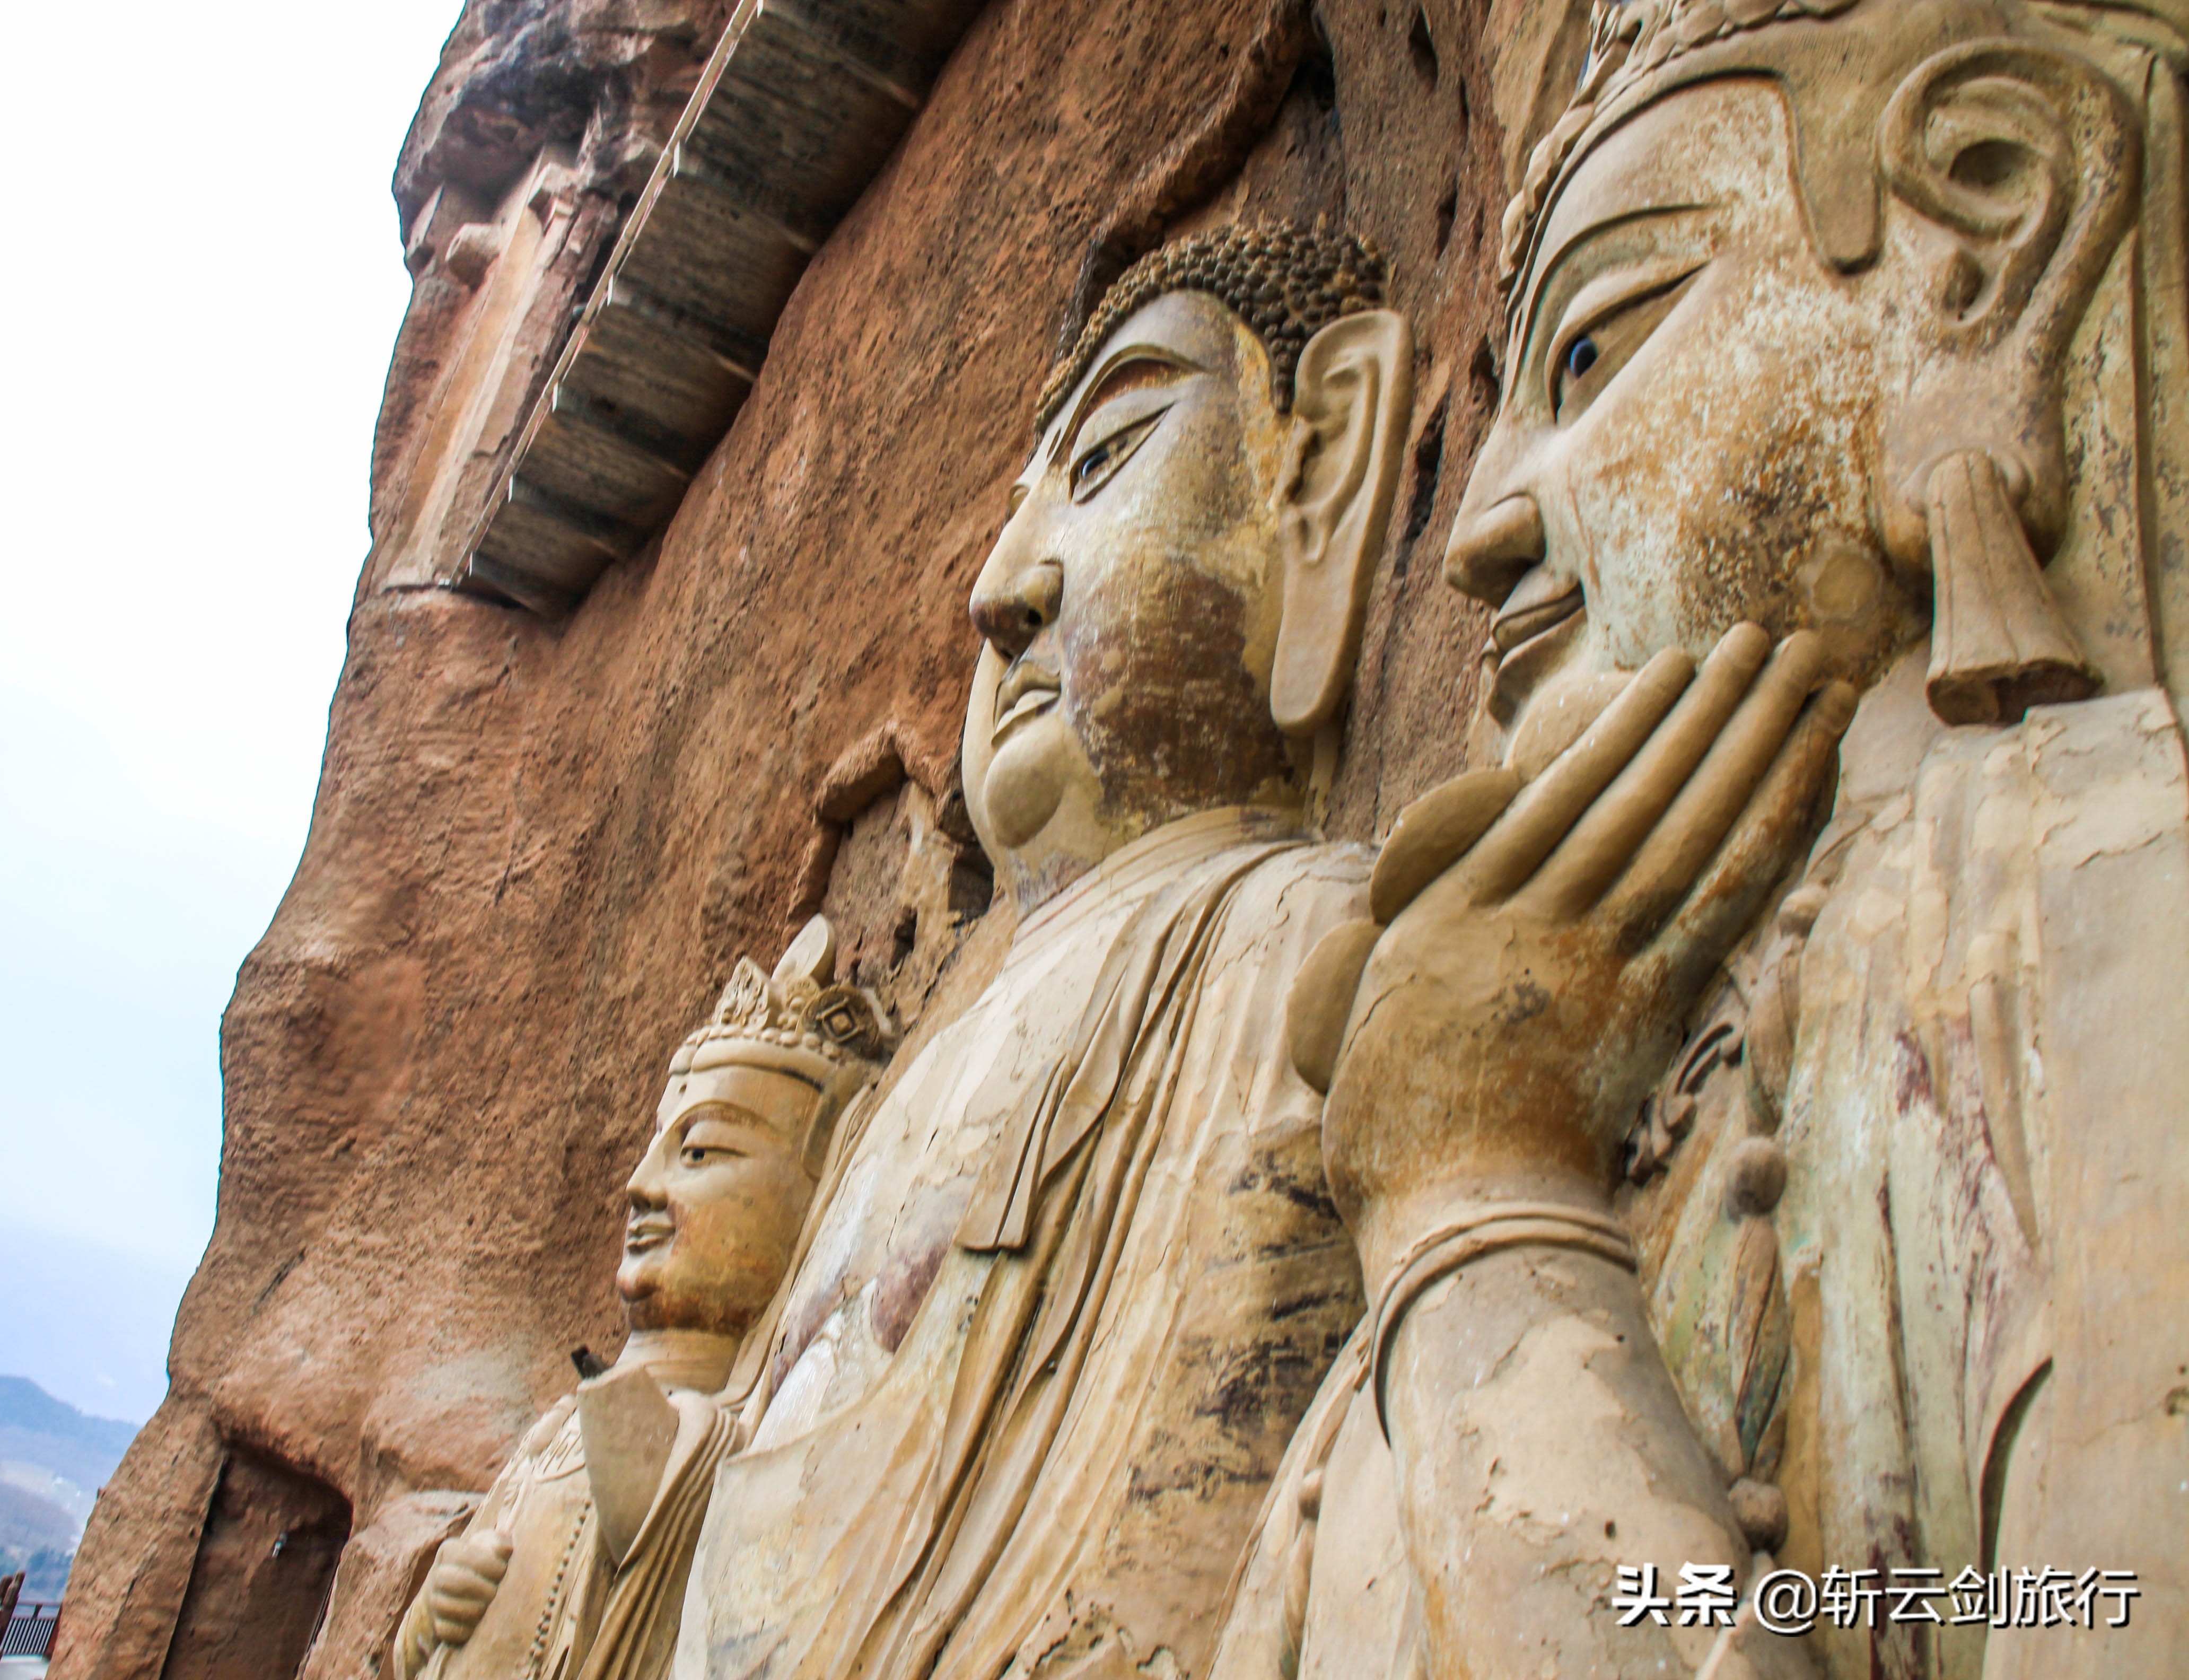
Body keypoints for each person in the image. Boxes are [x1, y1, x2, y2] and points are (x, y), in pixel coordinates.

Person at [1225, 0, 2189, 1672]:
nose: (1479, 530)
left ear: (1982, 233)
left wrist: (1477, 1195)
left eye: (1594, 353)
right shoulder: (1405, 1304)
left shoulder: (2097, 909)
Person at [668, 223, 1411, 1680]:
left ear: (1313, 484)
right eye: (1017, 513)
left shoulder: (1294, 944)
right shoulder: (911, 1084)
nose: (998, 590)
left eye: (1107, 464)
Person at [393, 918, 890, 1680]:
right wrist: (427, 1621)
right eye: (657, 1148)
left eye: (697, 1152)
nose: (641, 1186)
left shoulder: (758, 1435)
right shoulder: (549, 1439)